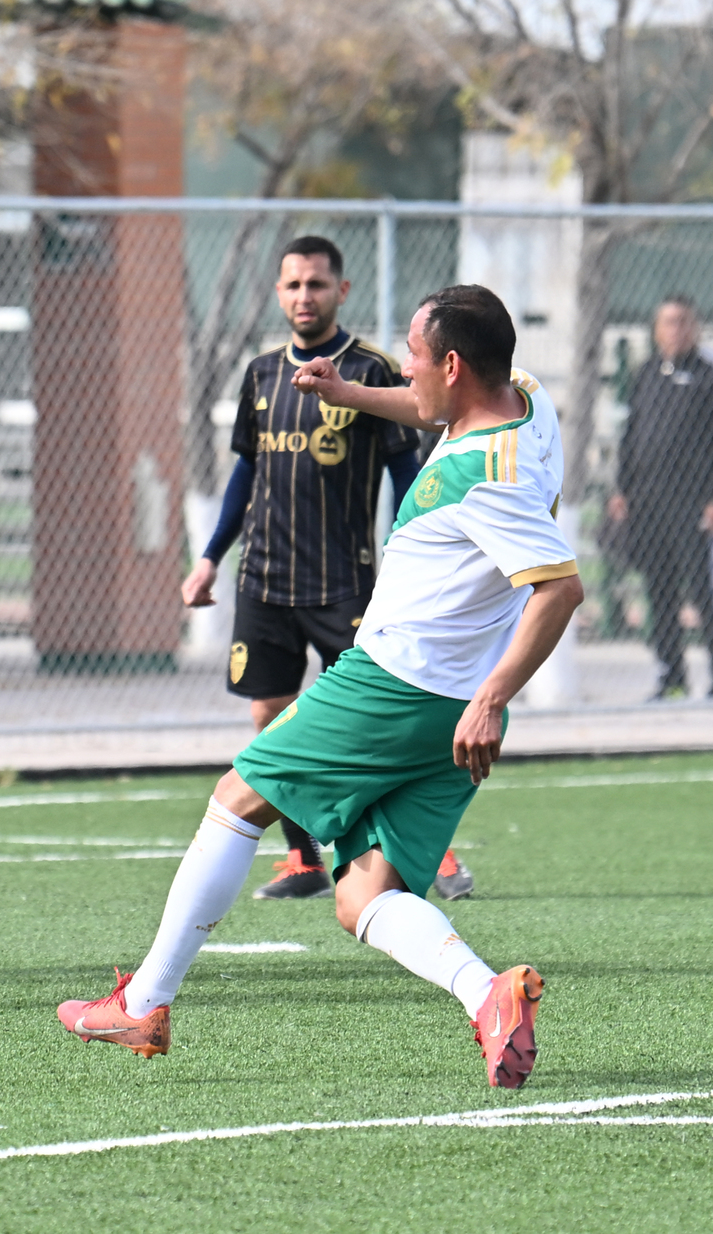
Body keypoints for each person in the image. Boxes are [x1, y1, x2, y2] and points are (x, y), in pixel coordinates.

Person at [57, 285, 582, 1089]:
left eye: (411, 354)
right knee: (362, 895)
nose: (402, 367)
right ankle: (490, 997)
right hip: (446, 706)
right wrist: (349, 394)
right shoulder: (525, 401)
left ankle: (147, 1001)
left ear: (450, 363)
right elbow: (426, 406)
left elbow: (559, 589)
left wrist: (493, 696)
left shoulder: (490, 474)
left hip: (398, 685)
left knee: (238, 797)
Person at [179, 236, 458, 900]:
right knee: (269, 714)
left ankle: (430, 853)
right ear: (279, 293)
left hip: (346, 582)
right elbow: (244, 471)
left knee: (377, 720)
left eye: (317, 284)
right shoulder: (260, 374)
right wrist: (209, 557)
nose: (305, 296)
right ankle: (304, 857)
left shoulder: (374, 369)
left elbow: (406, 471)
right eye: (294, 285)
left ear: (342, 291)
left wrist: (414, 554)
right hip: (266, 580)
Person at [607, 295, 713, 700]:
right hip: (648, 502)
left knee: (703, 591)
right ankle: (671, 673)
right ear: (656, 328)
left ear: (695, 327)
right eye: (668, 322)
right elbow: (629, 436)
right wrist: (621, 489)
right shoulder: (646, 374)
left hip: (693, 504)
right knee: (659, 589)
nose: (675, 330)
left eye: (683, 322)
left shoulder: (706, 377)